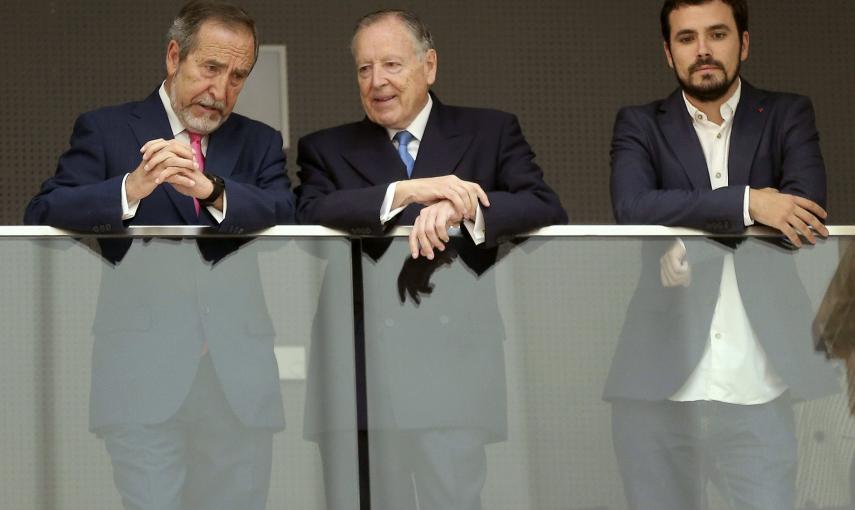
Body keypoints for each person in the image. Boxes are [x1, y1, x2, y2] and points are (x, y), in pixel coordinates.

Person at [24, 1, 294, 509]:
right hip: (141, 380)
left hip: (236, 384)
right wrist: (130, 187)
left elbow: (288, 217)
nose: (221, 91)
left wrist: (216, 192)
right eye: (211, 68)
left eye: (238, 76)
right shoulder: (105, 130)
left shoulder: (259, 142)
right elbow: (42, 215)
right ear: (174, 57)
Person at [296, 9, 566, 510]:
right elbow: (311, 214)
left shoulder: (491, 131)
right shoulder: (324, 148)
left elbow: (545, 207)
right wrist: (406, 192)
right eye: (364, 68)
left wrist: (461, 209)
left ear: (430, 66)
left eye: (392, 65)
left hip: (454, 370)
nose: (377, 82)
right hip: (358, 375)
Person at [605, 0, 838, 509]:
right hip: (657, 395)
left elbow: (805, 210)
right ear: (668, 53)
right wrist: (750, 201)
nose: (703, 50)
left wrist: (688, 238)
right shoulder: (640, 124)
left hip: (758, 390)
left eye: (717, 34)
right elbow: (633, 207)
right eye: (687, 38)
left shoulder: (786, 114)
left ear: (744, 43)